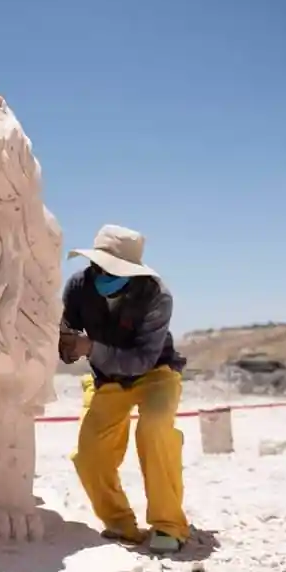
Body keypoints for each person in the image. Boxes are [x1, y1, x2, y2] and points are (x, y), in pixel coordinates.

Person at [58, 224, 190, 554]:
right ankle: (120, 523)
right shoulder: (77, 287)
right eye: (98, 266)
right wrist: (67, 345)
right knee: (89, 455)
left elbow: (142, 360)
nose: (101, 273)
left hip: (155, 372)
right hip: (108, 379)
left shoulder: (157, 295)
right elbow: (67, 332)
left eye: (110, 269)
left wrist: (90, 348)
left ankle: (168, 525)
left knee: (155, 430)